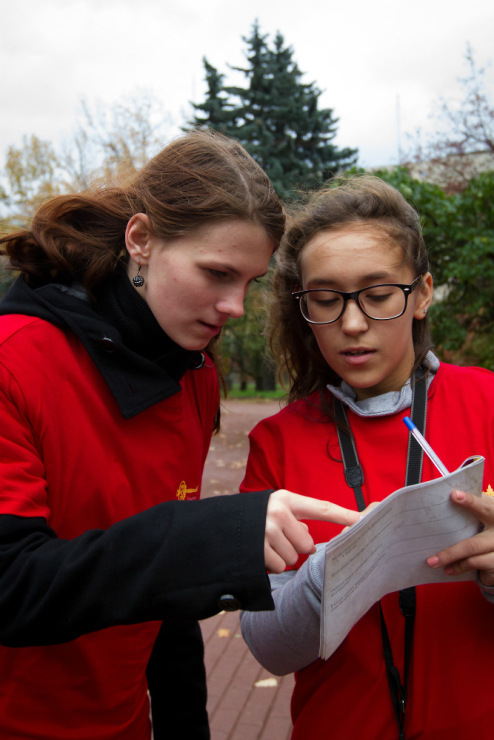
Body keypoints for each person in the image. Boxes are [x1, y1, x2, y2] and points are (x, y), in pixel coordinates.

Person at [0, 130, 359, 740]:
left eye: (247, 281)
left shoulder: (195, 376)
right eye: (216, 272)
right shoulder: (15, 360)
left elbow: (160, 592)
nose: (234, 306)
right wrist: (213, 538)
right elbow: (13, 585)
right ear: (140, 240)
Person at [240, 174, 494, 739]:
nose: (351, 324)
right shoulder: (276, 442)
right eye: (326, 301)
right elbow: (269, 647)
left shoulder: (488, 402)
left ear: (422, 293)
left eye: (378, 296)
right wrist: (333, 572)